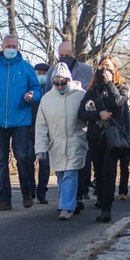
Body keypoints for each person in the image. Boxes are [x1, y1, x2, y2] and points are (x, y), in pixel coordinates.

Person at [0, 34, 42, 210]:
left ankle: (27, 193)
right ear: (2, 47)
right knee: (1, 161)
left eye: (14, 46)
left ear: (18, 48)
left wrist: (32, 96)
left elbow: (37, 90)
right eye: (8, 46)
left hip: (21, 121)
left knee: (22, 157)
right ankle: (4, 199)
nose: (11, 49)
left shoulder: (26, 68)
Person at [78, 57, 129, 223]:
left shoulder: (122, 88)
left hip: (112, 137)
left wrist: (109, 84)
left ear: (114, 69)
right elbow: (82, 113)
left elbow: (118, 102)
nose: (104, 70)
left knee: (109, 172)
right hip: (95, 136)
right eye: (102, 67)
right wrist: (97, 114)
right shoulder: (92, 90)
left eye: (108, 67)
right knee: (98, 172)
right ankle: (101, 202)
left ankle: (107, 208)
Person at [34, 63, 88, 220]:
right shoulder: (46, 99)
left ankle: (66, 207)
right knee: (61, 175)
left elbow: (89, 117)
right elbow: (41, 126)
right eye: (55, 82)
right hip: (56, 143)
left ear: (69, 80)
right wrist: (40, 148)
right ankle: (66, 201)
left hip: (75, 141)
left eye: (62, 82)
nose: (59, 85)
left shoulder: (81, 95)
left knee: (71, 173)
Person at [29, 62, 52, 204]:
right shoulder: (29, 90)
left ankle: (42, 192)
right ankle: (31, 189)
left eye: (44, 73)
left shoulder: (52, 91)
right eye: (39, 73)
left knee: (45, 163)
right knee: (28, 160)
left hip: (47, 131)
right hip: (30, 129)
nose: (41, 76)